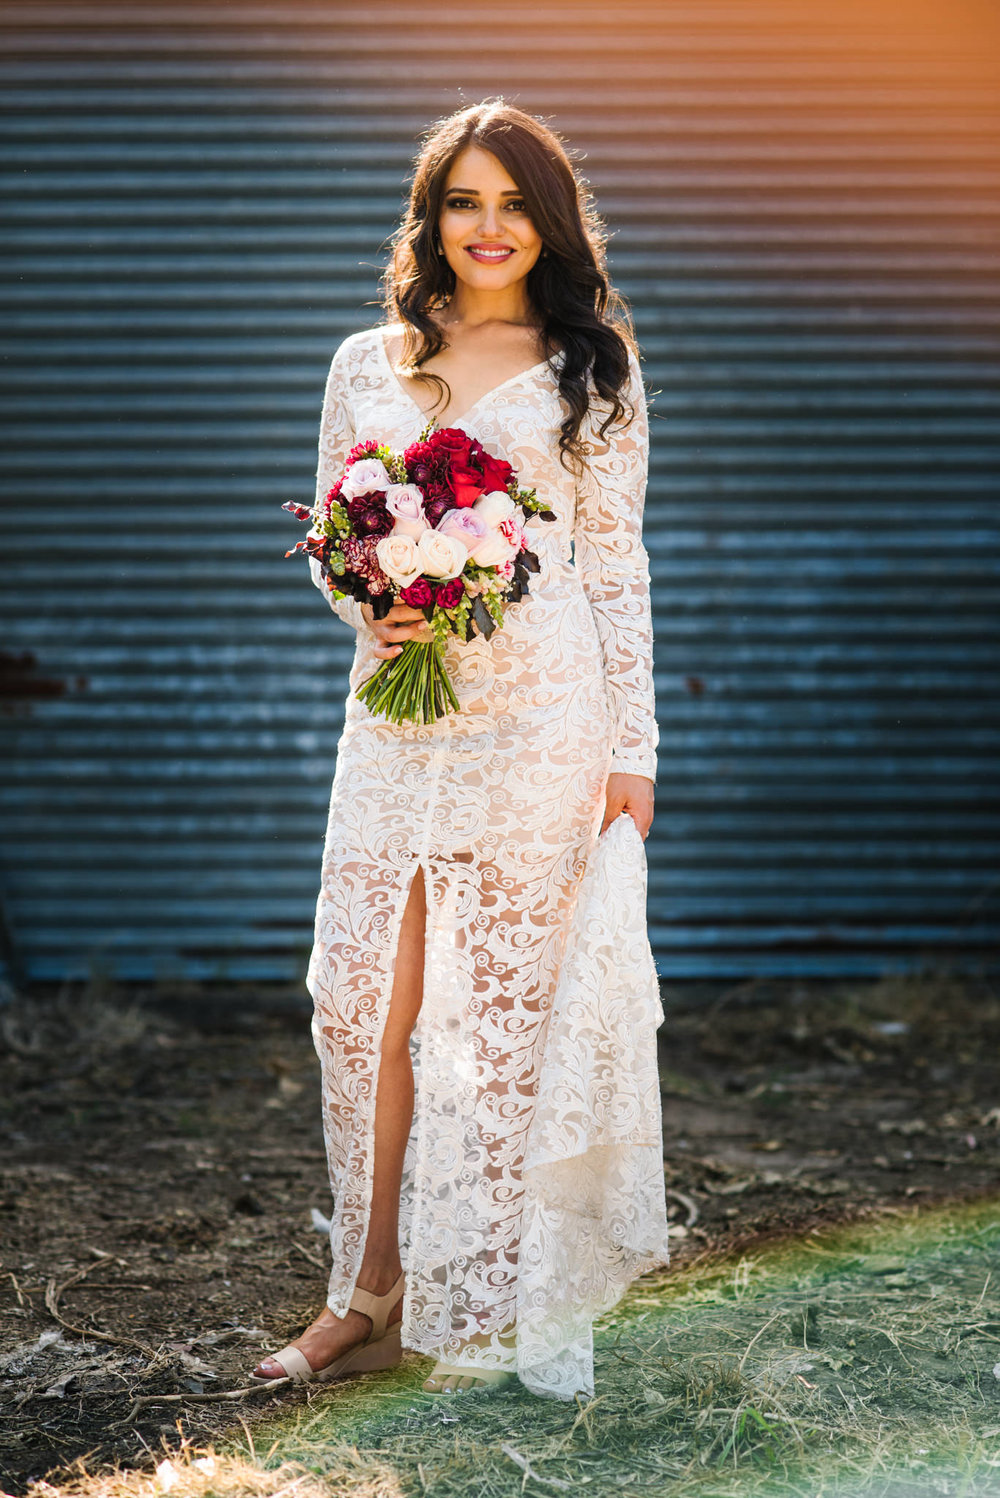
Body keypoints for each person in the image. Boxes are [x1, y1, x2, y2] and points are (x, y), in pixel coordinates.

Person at [252, 99, 669, 1401]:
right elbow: (333, 539)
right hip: (397, 717)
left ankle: (479, 1307)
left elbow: (614, 562)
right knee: (361, 1009)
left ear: (548, 223)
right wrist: (366, 593)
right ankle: (364, 1292)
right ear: (431, 219)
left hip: (546, 720)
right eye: (463, 202)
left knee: (498, 1016)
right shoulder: (363, 363)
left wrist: (636, 750)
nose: (488, 228)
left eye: (512, 203)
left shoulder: (588, 366)